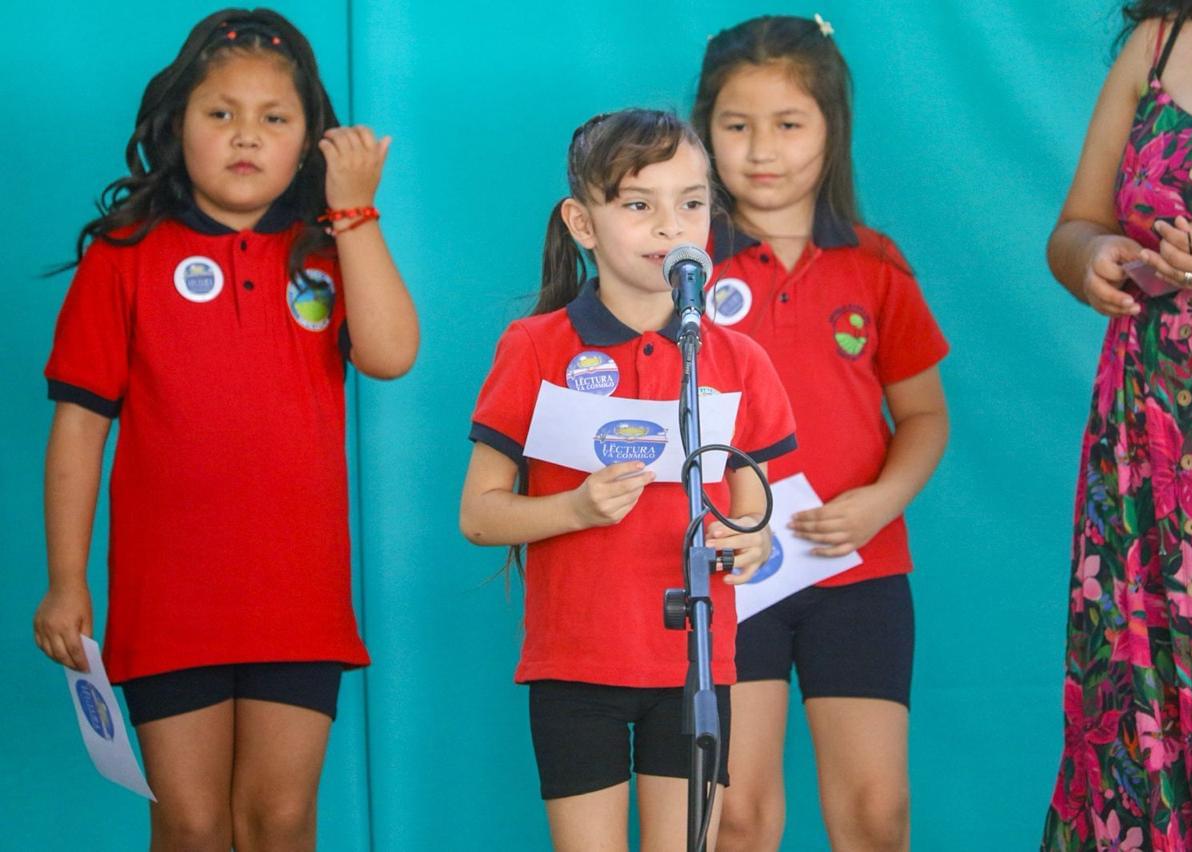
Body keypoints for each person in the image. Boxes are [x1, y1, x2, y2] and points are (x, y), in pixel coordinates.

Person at [32, 8, 418, 849]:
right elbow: (79, 431)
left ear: (311, 142)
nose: (246, 136)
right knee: (193, 824)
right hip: (168, 596)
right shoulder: (124, 254)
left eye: (274, 118)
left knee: (279, 820)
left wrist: (355, 214)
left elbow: (391, 355)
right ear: (178, 127)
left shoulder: (327, 251)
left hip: (297, 594)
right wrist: (66, 579)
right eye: (221, 113)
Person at [458, 108, 797, 851]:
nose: (670, 225)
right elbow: (479, 514)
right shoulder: (536, 346)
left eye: (691, 202)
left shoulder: (738, 360)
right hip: (575, 667)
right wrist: (575, 509)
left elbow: (754, 517)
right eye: (639, 204)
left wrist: (750, 542)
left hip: (695, 665)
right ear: (582, 223)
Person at [692, 15, 950, 852]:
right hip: (728, 571)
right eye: (737, 126)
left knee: (877, 816)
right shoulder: (680, 267)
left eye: (789, 124)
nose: (762, 150)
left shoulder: (875, 264)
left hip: (859, 569)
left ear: (832, 128)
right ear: (706, 132)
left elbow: (924, 415)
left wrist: (881, 502)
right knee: (736, 816)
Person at [1043, 1, 1192, 847]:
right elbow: (1075, 224)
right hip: (1148, 445)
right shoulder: (1159, 41)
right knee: (1137, 701)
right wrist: (1092, 257)